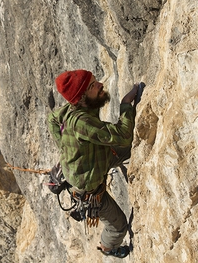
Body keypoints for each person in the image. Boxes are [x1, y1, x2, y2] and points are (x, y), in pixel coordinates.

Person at [48, 69, 139, 259]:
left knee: (132, 149)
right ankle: (108, 248)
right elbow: (122, 136)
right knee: (118, 227)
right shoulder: (81, 122)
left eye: (96, 81)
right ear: (81, 97)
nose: (100, 85)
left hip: (99, 160)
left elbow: (52, 119)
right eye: (93, 85)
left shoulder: (71, 108)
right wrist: (125, 105)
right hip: (89, 188)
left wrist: (63, 147)